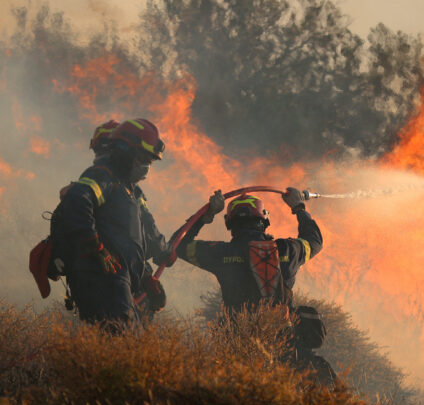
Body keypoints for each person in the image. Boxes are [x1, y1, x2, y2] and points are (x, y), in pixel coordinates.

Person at [176, 188, 335, 385]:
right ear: (264, 220)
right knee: (325, 385)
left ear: (230, 224)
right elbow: (314, 241)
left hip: (240, 350)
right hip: (289, 348)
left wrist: (205, 216)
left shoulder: (220, 253)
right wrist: (299, 208)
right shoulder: (287, 250)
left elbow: (178, 246)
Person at [55, 118, 170, 328]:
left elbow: (124, 240)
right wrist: (96, 248)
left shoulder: (125, 187)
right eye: (144, 158)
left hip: (117, 280)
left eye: (150, 161)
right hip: (101, 278)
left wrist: (143, 275)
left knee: (130, 346)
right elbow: (78, 202)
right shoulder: (103, 175)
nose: (146, 166)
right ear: (126, 149)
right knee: (123, 344)